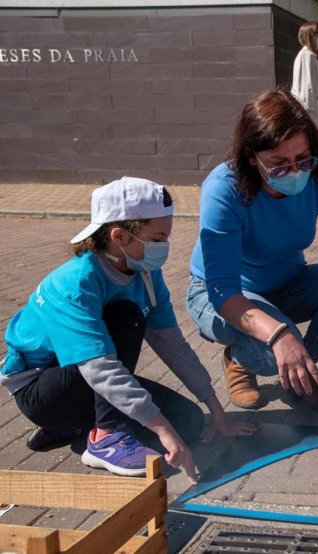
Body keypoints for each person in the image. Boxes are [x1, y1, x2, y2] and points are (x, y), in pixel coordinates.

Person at [0, 177, 255, 480]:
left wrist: (215, 409)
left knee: (188, 423)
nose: (164, 248)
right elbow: (101, 369)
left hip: (85, 376)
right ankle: (104, 437)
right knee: (125, 318)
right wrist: (162, 430)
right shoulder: (75, 283)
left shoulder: (145, 272)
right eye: (158, 239)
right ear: (119, 236)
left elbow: (173, 344)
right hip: (43, 391)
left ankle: (78, 426)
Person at [187, 89, 318, 412]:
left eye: (302, 159)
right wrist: (281, 336)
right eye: (279, 164)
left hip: (286, 283)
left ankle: (301, 372)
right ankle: (241, 359)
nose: (296, 171)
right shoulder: (224, 189)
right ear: (251, 156)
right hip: (222, 297)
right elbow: (222, 291)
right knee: (275, 346)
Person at [291, 21, 318, 133]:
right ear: (310, 35)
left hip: (312, 117)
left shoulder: (310, 56)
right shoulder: (306, 56)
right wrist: (310, 118)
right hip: (310, 118)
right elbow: (307, 89)